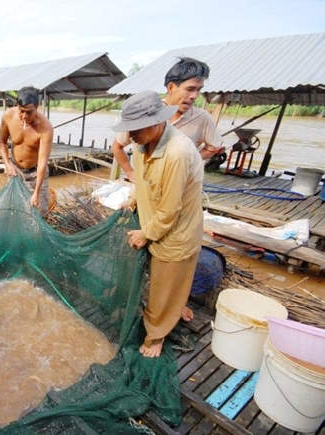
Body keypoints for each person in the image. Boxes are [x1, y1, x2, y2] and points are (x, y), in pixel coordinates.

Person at [113, 91, 204, 358]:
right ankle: (175, 308)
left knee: (165, 286)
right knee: (166, 284)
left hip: (176, 232)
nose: (130, 137)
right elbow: (142, 181)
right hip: (154, 221)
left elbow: (170, 208)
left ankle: (156, 335)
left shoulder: (178, 153)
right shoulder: (143, 146)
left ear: (156, 122)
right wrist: (132, 199)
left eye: (135, 130)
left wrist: (146, 233)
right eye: (128, 131)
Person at [112, 57, 224, 183]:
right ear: (171, 87)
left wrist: (188, 159)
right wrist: (130, 172)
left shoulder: (202, 118)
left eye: (199, 90)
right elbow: (117, 146)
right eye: (190, 89)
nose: (194, 96)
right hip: (144, 183)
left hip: (178, 182)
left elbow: (214, 147)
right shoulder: (145, 113)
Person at [0, 86, 53, 215]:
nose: (25, 116)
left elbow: (43, 161)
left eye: (30, 112)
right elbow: (1, 142)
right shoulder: (8, 116)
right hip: (15, 170)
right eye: (21, 111)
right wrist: (7, 164)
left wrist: (37, 192)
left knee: (38, 211)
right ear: (17, 106)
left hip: (35, 173)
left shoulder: (45, 128)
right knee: (12, 209)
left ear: (37, 107)